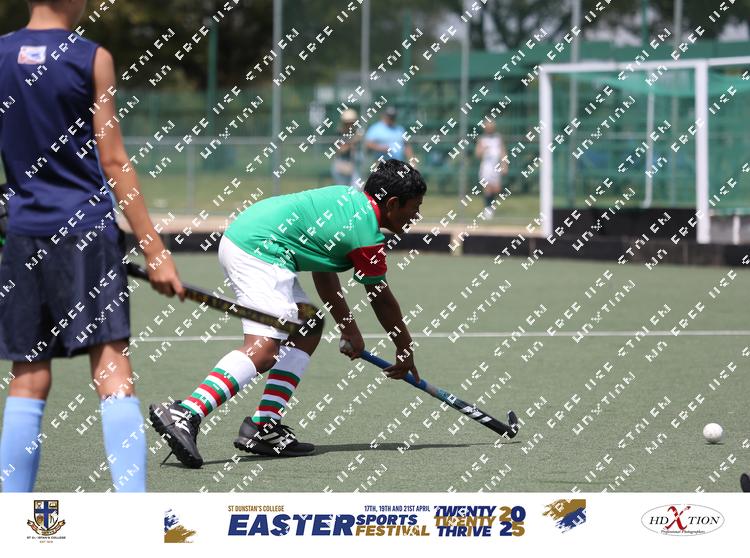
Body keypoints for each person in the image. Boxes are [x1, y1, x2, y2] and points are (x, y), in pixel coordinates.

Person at [0, 0, 184, 492]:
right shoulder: (91, 57)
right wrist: (155, 251)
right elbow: (114, 161)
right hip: (86, 233)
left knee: (27, 377)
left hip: (25, 234)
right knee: (111, 367)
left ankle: (11, 516)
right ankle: (132, 510)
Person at [149, 159, 425, 467]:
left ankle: (263, 426)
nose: (416, 216)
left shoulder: (350, 201)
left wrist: (348, 328)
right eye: (415, 207)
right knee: (264, 349)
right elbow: (380, 299)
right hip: (259, 250)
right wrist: (404, 349)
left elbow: (323, 268)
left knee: (308, 327)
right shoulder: (367, 235)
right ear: (392, 203)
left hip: (251, 240)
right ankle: (186, 412)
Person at [474, 120, 507, 220]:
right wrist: (483, 150)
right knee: (487, 187)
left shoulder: (498, 138)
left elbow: (503, 152)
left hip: (496, 166)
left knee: (496, 188)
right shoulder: (482, 139)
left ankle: (491, 206)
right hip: (486, 167)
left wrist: (504, 165)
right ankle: (488, 209)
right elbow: (478, 154)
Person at [331, 109, 363, 187]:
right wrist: (353, 141)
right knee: (342, 188)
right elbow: (340, 150)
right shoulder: (338, 134)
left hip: (356, 165)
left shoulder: (359, 133)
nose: (350, 125)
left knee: (356, 189)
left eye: (352, 123)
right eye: (347, 123)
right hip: (341, 164)